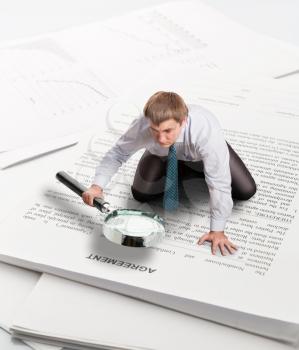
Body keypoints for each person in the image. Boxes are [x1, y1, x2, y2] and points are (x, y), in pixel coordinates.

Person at [82, 91, 256, 255]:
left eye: (167, 131)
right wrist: (97, 186)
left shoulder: (206, 133)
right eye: (154, 131)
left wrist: (217, 230)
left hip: (201, 155)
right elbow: (118, 153)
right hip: (161, 155)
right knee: (140, 193)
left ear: (183, 122)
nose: (161, 138)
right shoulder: (144, 124)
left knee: (246, 190)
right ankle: (179, 168)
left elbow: (219, 181)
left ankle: (194, 168)